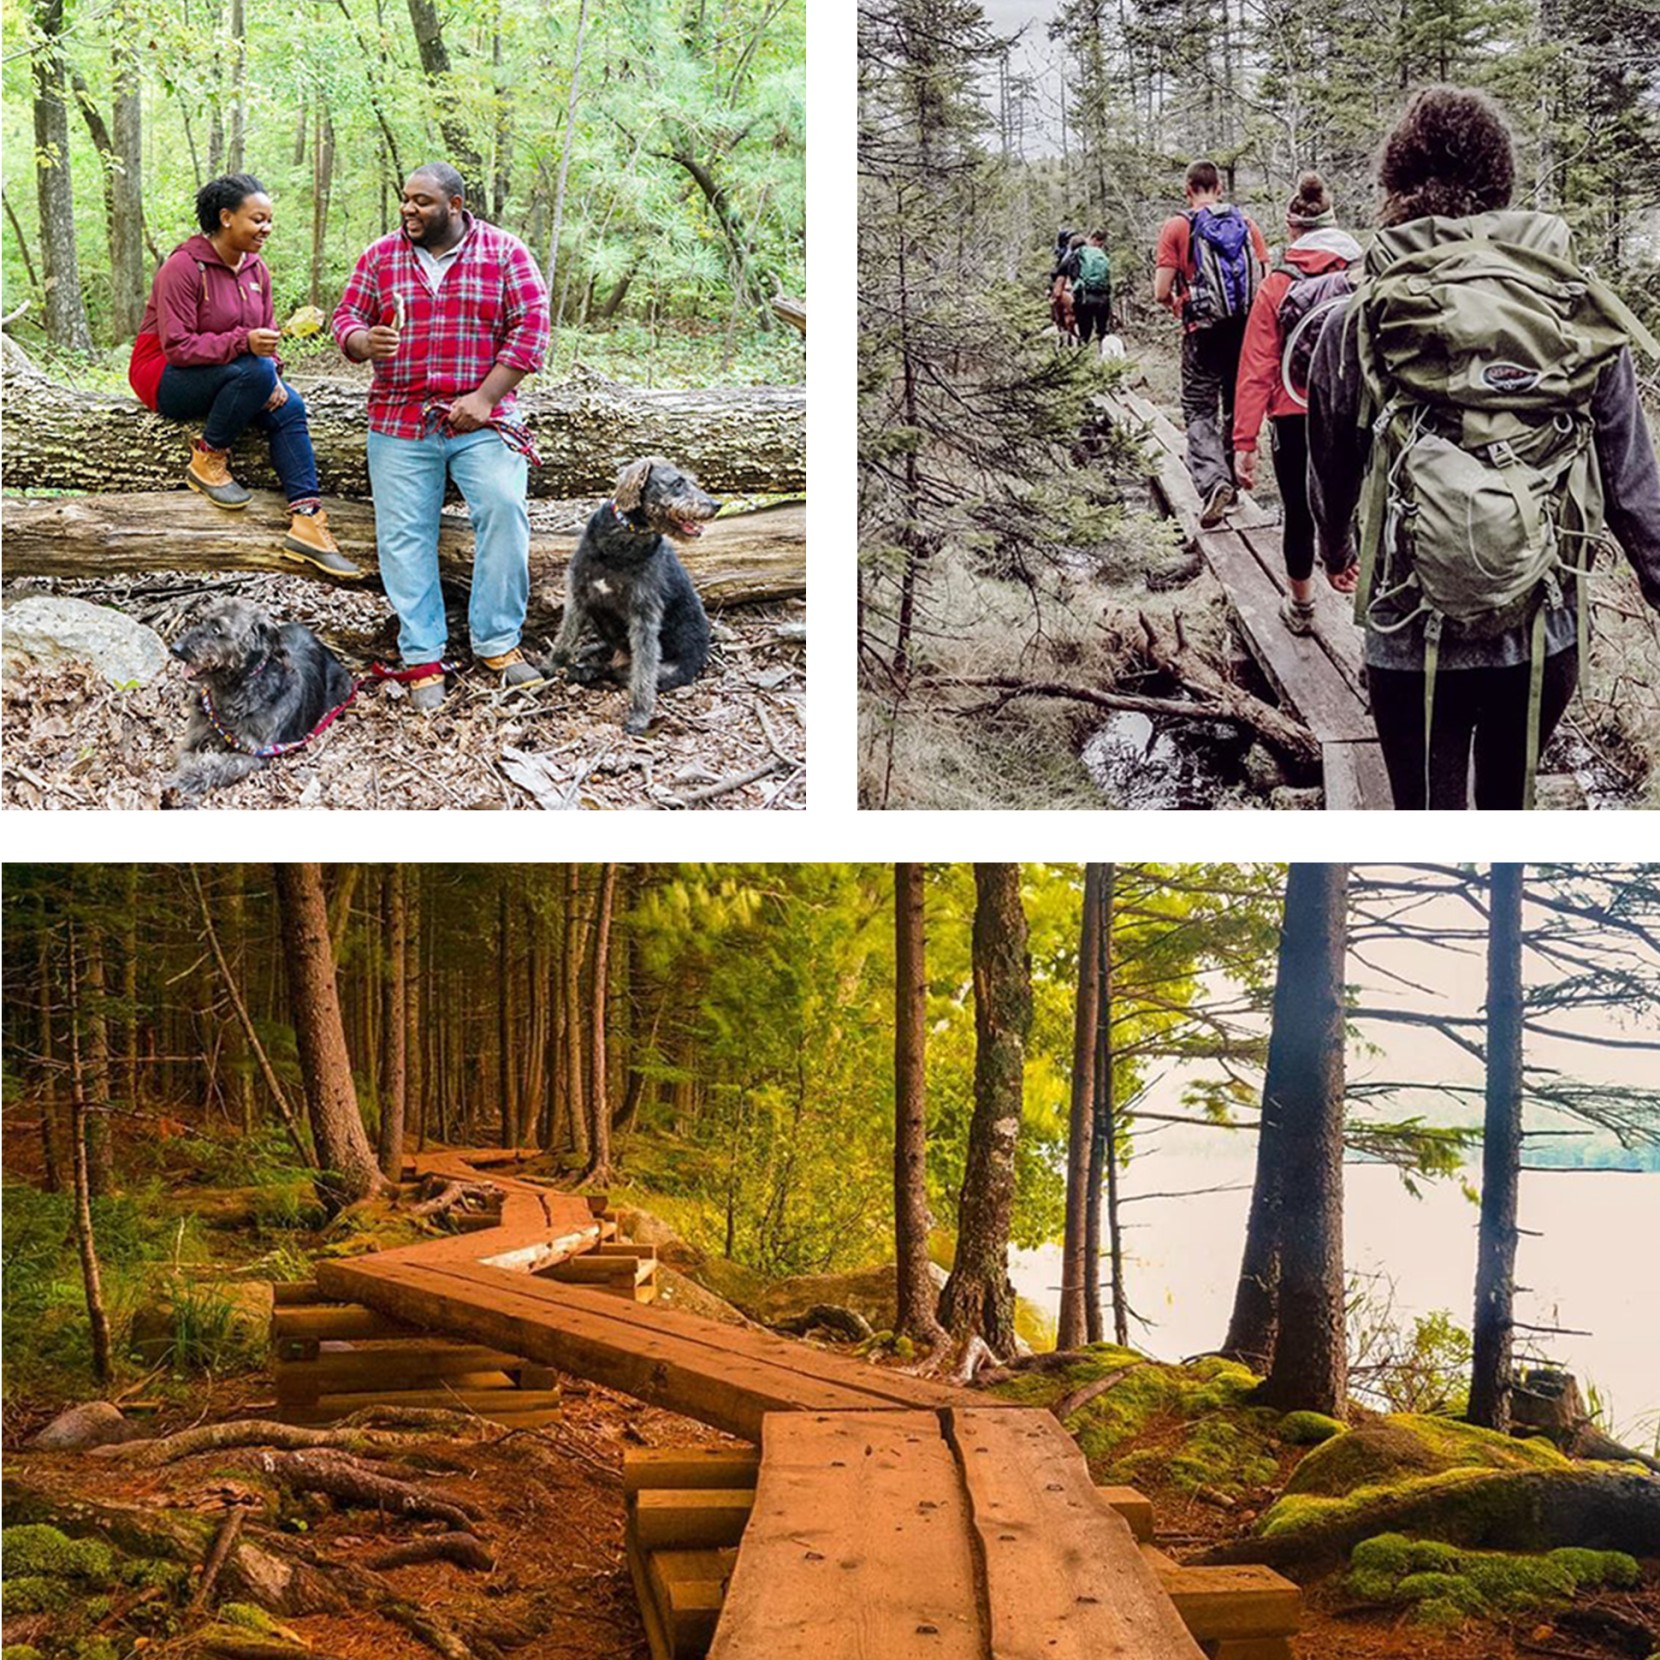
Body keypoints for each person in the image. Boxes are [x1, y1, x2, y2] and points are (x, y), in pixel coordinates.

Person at [1308, 86, 1660, 809]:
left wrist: (1337, 549)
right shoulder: (1572, 310)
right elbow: (1634, 489)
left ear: (1396, 182)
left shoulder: (1360, 316)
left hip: (1409, 631)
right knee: (1507, 815)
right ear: (1501, 182)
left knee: (1426, 820)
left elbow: (1331, 463)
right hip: (1540, 626)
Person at [331, 163, 551, 711]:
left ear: (455, 205)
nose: (409, 210)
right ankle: (423, 654)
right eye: (405, 199)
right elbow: (346, 317)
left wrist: (484, 398)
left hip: (483, 416)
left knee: (504, 508)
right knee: (404, 535)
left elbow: (533, 327)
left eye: (422, 202)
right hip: (400, 419)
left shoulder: (503, 252)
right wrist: (362, 342)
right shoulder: (381, 256)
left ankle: (498, 642)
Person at [128, 173, 359, 578]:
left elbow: (266, 339)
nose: (265, 228)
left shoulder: (257, 271)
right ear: (226, 218)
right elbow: (179, 348)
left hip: (232, 373)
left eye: (269, 220)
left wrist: (271, 373)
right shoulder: (183, 267)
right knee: (253, 371)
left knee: (291, 406)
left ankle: (307, 519)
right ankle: (208, 458)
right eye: (257, 219)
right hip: (164, 375)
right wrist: (249, 355)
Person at [1231, 172, 1361, 634]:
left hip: (1293, 414)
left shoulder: (1278, 284)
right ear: (1335, 221)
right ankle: (1361, 607)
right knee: (1356, 505)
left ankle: (1302, 608)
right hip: (1354, 415)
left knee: (1298, 512)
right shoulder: (1362, 273)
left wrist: (1243, 442)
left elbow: (1256, 367)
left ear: (1292, 230)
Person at [1154, 161, 1268, 528]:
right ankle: (1234, 483)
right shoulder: (1247, 224)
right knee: (1236, 403)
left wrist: (1178, 305)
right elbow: (1263, 282)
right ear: (1219, 187)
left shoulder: (1178, 226)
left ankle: (1214, 481)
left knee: (1199, 408)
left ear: (1187, 189)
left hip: (1201, 331)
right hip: (1243, 330)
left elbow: (1160, 291)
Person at [1070, 229, 1114, 350]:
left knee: (1084, 333)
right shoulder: (1100, 254)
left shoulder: (1078, 252)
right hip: (1103, 297)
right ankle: (1106, 361)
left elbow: (1072, 274)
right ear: (1095, 240)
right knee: (1102, 332)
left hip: (1084, 297)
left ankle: (1082, 360)